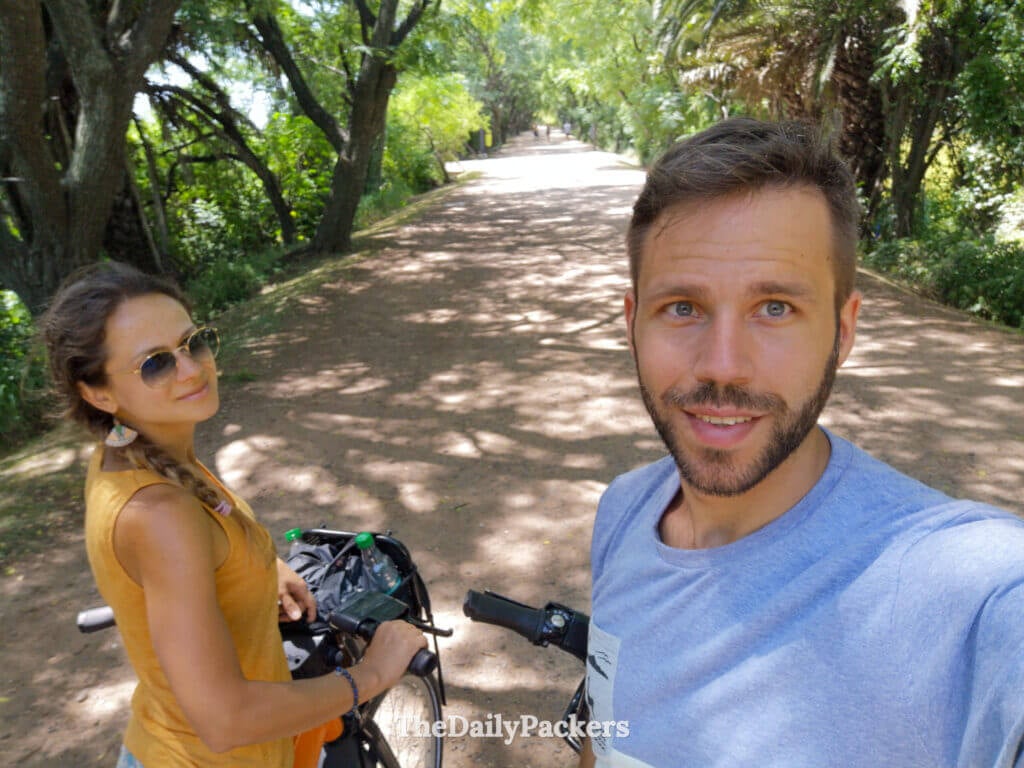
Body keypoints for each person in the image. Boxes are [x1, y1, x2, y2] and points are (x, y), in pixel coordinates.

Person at [580, 117, 1024, 767]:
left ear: (842, 332)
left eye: (776, 308)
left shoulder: (978, 597)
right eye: (682, 307)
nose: (722, 366)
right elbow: (607, 730)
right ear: (633, 323)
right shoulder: (622, 514)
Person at [42, 262, 426, 767]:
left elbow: (207, 537)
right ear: (98, 392)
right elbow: (226, 720)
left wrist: (265, 567)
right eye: (155, 364)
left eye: (193, 342)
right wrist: (372, 675)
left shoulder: (136, 450)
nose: (191, 368)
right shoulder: (158, 511)